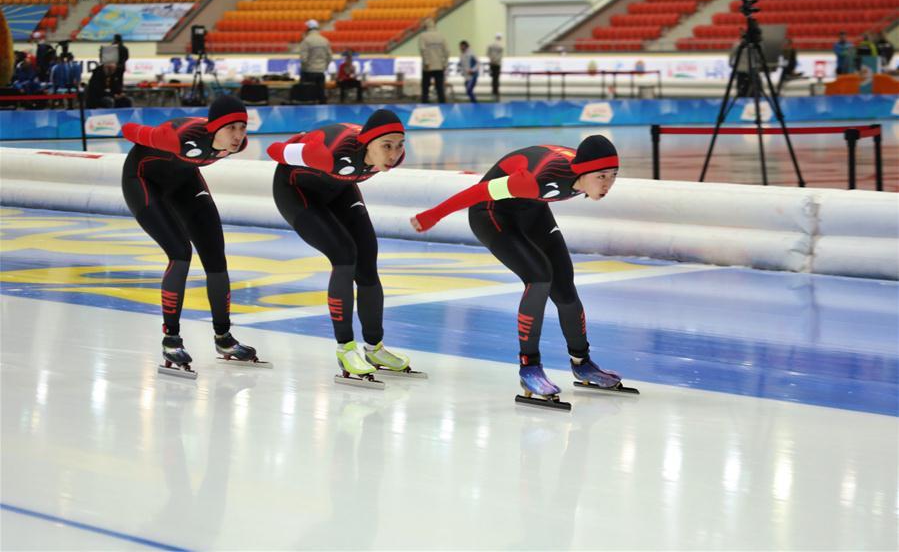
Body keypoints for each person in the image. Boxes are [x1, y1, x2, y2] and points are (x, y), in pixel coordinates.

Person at [410, 136, 635, 409]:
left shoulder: (580, 172)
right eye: (601, 176)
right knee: (539, 277)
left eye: (613, 175)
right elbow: (477, 193)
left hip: (533, 208)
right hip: (492, 213)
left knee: (564, 286)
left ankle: (582, 363)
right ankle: (529, 368)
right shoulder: (535, 180)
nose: (607, 183)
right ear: (582, 171)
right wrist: (434, 214)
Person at [266, 110, 425, 387]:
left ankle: (375, 348)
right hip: (297, 192)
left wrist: (389, 150)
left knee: (367, 262)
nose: (394, 154)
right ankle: (346, 349)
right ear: (368, 143)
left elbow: (372, 159)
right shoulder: (329, 154)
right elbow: (274, 150)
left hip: (340, 189)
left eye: (399, 145)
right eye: (386, 146)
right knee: (344, 255)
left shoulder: (392, 158)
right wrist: (301, 145)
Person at [120, 95, 264, 378]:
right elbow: (129, 131)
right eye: (231, 128)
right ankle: (171, 339)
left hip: (184, 181)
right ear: (214, 127)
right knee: (180, 252)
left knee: (215, 257)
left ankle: (224, 338)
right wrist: (157, 135)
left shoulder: (238, 146)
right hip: (142, 180)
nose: (238, 136)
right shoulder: (179, 137)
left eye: (242, 128)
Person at [298, 19, 332, 104]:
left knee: (308, 97)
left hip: (309, 73)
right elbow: (329, 57)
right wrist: (324, 67)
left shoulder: (306, 41)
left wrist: (305, 69)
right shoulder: (325, 40)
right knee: (321, 95)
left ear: (308, 29)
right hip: (320, 72)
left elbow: (303, 59)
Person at [418, 18, 449, 103]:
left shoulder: (423, 36)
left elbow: (423, 50)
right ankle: (443, 106)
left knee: (425, 88)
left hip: (427, 67)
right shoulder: (441, 36)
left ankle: (424, 105)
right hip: (439, 66)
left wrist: (426, 62)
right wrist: (444, 63)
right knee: (440, 88)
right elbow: (447, 51)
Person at [487, 32, 503, 100]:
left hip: (492, 63)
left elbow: (488, 53)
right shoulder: (501, 46)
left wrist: (491, 60)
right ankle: (496, 92)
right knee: (496, 79)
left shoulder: (490, 45)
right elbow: (500, 56)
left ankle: (494, 92)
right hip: (497, 64)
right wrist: (496, 60)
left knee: (493, 79)